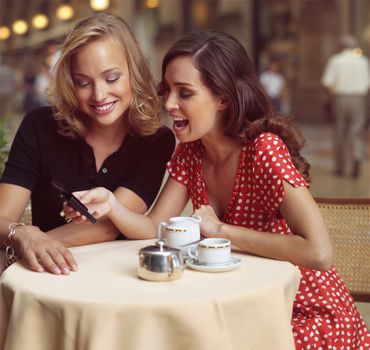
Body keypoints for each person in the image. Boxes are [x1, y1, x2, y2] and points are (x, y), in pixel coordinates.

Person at [67, 31, 370, 349]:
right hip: (241, 306)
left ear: (223, 98)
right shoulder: (190, 151)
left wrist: (221, 230)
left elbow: (319, 253)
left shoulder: (263, 149)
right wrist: (112, 204)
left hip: (303, 312)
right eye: (167, 90)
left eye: (184, 93)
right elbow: (154, 227)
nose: (169, 104)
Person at [0, 13, 175, 275]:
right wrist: (24, 234)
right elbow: (3, 217)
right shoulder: (39, 125)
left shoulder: (156, 140)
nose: (99, 95)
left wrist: (35, 242)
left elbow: (107, 225)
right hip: (44, 276)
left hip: (116, 277)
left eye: (112, 78)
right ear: (71, 82)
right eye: (83, 82)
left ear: (134, 72)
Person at [321, 34, 370, 178]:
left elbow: (327, 82)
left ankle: (340, 167)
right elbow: (368, 84)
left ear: (341, 46)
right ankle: (356, 159)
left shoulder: (335, 61)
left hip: (340, 98)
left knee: (339, 132)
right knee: (356, 132)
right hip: (358, 99)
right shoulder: (363, 61)